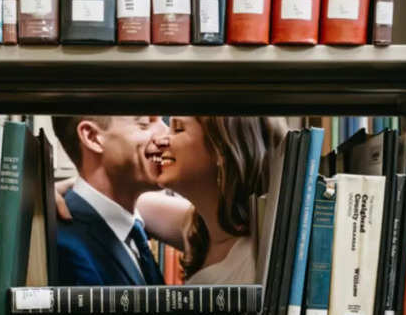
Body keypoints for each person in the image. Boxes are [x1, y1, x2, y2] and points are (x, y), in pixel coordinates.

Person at [56, 116, 287, 285]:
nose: (163, 135)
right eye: (144, 123)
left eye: (176, 128)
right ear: (93, 137)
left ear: (221, 151)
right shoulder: (70, 245)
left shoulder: (259, 244)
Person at [51, 115, 167, 286]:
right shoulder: (65, 247)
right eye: (144, 124)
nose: (167, 134)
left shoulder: (132, 230)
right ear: (92, 137)